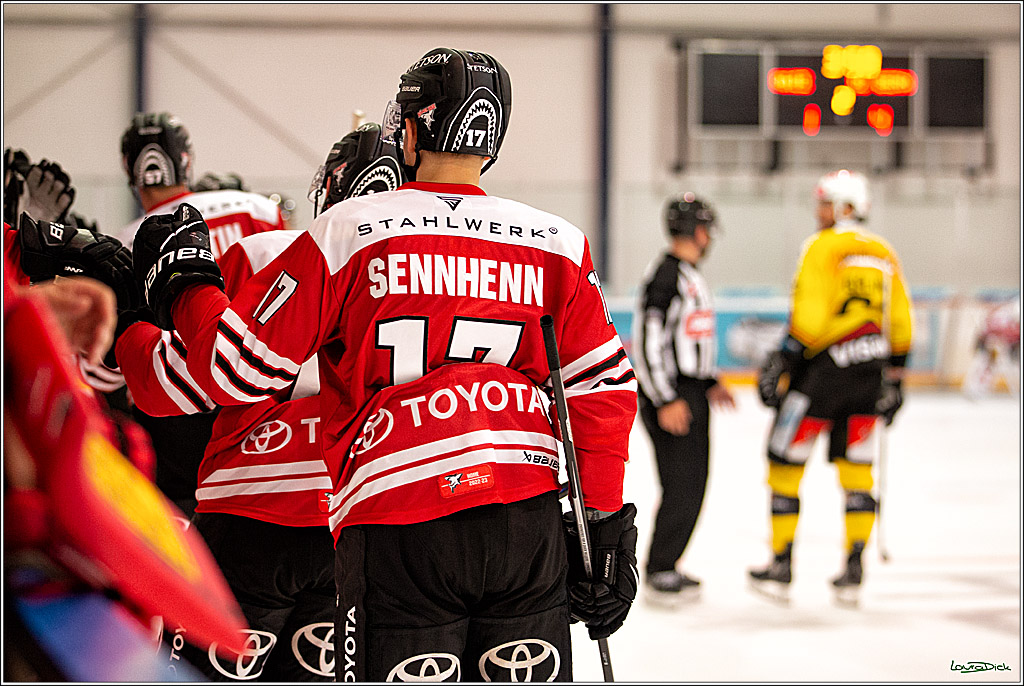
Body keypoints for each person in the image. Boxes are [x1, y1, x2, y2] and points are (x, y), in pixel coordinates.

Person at [129, 47, 639, 682]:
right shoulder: (556, 242)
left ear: (413, 128)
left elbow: (242, 368)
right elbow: (602, 390)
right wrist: (602, 524)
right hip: (524, 520)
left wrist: (187, 286)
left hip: (399, 520)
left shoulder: (349, 231)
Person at [113, 122, 403, 681]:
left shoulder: (267, 252)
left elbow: (173, 384)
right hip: (358, 522)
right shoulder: (431, 272)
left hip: (251, 507)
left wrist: (130, 325)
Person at [111, 112, 289, 518]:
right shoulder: (257, 207)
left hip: (178, 386)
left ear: (129, 167)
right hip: (259, 376)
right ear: (185, 159)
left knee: (184, 512)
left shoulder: (130, 236)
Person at [751, 169, 913, 605]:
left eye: (825, 204)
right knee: (858, 469)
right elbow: (900, 319)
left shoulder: (822, 246)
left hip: (820, 375)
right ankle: (855, 565)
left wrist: (784, 358)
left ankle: (781, 562)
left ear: (844, 207)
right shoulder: (884, 251)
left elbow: (810, 313)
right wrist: (896, 377)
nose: (819, 211)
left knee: (785, 462)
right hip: (870, 374)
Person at [631, 193, 735, 603]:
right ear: (695, 230)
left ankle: (667, 563)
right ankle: (660, 568)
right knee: (682, 484)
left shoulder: (687, 275)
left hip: (688, 391)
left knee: (693, 483)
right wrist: (665, 398)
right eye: (706, 229)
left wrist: (709, 382)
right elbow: (648, 341)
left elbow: (687, 338)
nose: (709, 238)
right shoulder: (666, 276)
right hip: (672, 394)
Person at [962, 296, 1020, 399]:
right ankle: (974, 388)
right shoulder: (1000, 319)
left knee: (1012, 367)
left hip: (1007, 345)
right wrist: (992, 350)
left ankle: (1016, 390)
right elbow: (985, 335)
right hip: (990, 343)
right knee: (983, 364)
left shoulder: (1012, 321)